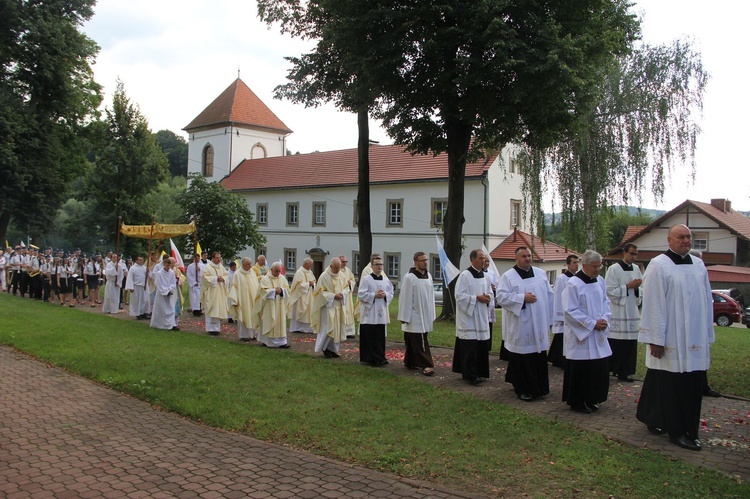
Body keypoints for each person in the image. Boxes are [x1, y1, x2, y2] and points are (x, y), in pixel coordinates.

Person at [636, 224, 715, 451]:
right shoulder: (659, 265)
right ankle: (677, 432)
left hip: (694, 338)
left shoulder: (698, 265)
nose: (686, 240)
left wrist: (707, 333)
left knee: (691, 385)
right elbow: (653, 304)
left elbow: (705, 300)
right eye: (681, 237)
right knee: (671, 386)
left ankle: (681, 426)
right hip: (671, 338)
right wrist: (655, 339)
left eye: (689, 237)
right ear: (669, 240)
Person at [496, 246, 554, 401]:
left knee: (539, 356)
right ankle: (522, 389)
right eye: (523, 256)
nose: (527, 259)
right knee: (522, 357)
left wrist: (550, 320)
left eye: (529, 256)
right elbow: (500, 297)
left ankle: (540, 388)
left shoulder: (541, 274)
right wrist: (522, 298)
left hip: (540, 323)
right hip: (522, 324)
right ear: (516, 259)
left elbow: (550, 296)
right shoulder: (508, 276)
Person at [562, 250, 612, 414]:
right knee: (582, 369)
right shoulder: (573, 284)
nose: (597, 270)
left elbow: (606, 302)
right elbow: (570, 310)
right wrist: (591, 324)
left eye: (599, 266)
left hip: (598, 332)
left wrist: (604, 319)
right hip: (581, 335)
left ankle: (592, 398)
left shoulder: (600, 281)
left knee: (596, 368)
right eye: (594, 266)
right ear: (584, 266)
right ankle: (577, 401)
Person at [452, 250, 492, 385]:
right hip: (469, 318)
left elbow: (491, 293)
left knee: (481, 346)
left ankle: (480, 372)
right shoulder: (465, 276)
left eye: (484, 258)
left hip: (481, 316)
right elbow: (459, 296)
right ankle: (470, 375)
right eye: (480, 258)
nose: (483, 261)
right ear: (472, 259)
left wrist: (488, 298)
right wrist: (476, 298)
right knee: (470, 347)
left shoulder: (486, 277)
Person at [605, 243, 642, 382]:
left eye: (635, 254)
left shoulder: (637, 268)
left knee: (629, 344)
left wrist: (638, 289)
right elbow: (608, 290)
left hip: (631, 310)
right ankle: (610, 369)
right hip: (618, 311)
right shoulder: (614, 269)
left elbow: (641, 290)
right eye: (631, 253)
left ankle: (624, 372)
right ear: (624, 253)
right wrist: (627, 286)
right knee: (616, 342)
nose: (633, 256)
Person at [397, 251, 436, 376]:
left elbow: (431, 296)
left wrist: (432, 313)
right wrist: (404, 316)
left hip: (425, 313)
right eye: (422, 260)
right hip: (414, 314)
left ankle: (410, 361)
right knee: (420, 341)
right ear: (415, 262)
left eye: (426, 260)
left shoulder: (429, 276)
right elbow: (405, 297)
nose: (425, 262)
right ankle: (426, 365)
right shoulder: (410, 277)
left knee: (415, 340)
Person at [357, 255, 394, 366]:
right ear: (372, 266)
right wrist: (374, 295)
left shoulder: (386, 280)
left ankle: (380, 357)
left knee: (379, 336)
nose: (379, 266)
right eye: (377, 264)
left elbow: (391, 293)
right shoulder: (366, 279)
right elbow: (361, 294)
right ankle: (369, 358)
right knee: (370, 335)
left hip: (380, 312)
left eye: (381, 264)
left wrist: (385, 295)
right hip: (370, 312)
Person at [313, 257, 350, 358]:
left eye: (339, 268)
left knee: (337, 327)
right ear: (330, 266)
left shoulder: (341, 275)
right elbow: (320, 292)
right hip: (328, 306)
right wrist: (333, 296)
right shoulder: (324, 276)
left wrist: (342, 294)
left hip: (338, 305)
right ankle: (324, 348)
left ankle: (333, 349)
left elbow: (346, 288)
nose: (337, 270)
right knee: (328, 327)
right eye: (335, 268)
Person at [550, 254, 579, 368]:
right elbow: (558, 296)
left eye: (577, 263)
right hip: (563, 313)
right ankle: (559, 360)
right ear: (568, 265)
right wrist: (560, 315)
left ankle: (556, 358)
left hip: (572, 312)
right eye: (574, 263)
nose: (576, 265)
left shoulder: (577, 278)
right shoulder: (562, 278)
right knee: (561, 337)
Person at [254, 261, 291, 348]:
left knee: (280, 322)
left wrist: (282, 291)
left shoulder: (282, 278)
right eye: (276, 271)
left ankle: (282, 342)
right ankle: (268, 341)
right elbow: (262, 291)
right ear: (271, 270)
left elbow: (287, 289)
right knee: (269, 321)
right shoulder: (265, 279)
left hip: (280, 305)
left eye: (279, 271)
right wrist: (274, 291)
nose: (278, 273)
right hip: (269, 305)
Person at [228, 257, 260, 342]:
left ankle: (253, 334)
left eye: (250, 263)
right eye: (248, 264)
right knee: (244, 315)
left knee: (253, 316)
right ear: (243, 265)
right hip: (243, 299)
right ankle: (244, 335)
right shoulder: (237, 274)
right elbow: (234, 287)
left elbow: (256, 284)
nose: (250, 265)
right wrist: (235, 301)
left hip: (253, 299)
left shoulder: (252, 272)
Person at [200, 251, 229, 336]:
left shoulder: (221, 267)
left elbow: (227, 276)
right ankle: (210, 328)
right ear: (212, 258)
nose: (219, 259)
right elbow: (204, 278)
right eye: (217, 258)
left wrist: (223, 279)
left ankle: (217, 328)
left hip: (219, 292)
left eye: (219, 258)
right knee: (212, 308)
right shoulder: (208, 267)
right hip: (211, 292)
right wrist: (215, 279)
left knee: (218, 309)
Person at [150, 257, 179, 330]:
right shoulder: (159, 273)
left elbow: (173, 282)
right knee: (162, 309)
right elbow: (158, 283)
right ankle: (161, 324)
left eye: (169, 265)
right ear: (164, 264)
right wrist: (165, 291)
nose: (168, 267)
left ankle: (171, 324)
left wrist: (170, 290)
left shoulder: (171, 273)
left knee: (171, 308)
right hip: (162, 294)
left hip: (170, 293)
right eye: (167, 265)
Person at [289, 258, 316, 333]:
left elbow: (314, 281)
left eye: (311, 264)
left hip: (309, 295)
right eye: (310, 264)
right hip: (300, 295)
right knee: (299, 310)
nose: (311, 265)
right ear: (306, 264)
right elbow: (298, 285)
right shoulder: (299, 272)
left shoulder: (310, 272)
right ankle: (297, 328)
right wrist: (308, 284)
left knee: (309, 311)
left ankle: (307, 328)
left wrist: (313, 284)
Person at [339, 255, 357, 338]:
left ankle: (349, 332)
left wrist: (351, 283)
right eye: (343, 261)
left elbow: (353, 281)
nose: (344, 263)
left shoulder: (348, 271)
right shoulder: (336, 270)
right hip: (341, 295)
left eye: (346, 261)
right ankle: (341, 331)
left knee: (349, 312)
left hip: (348, 296)